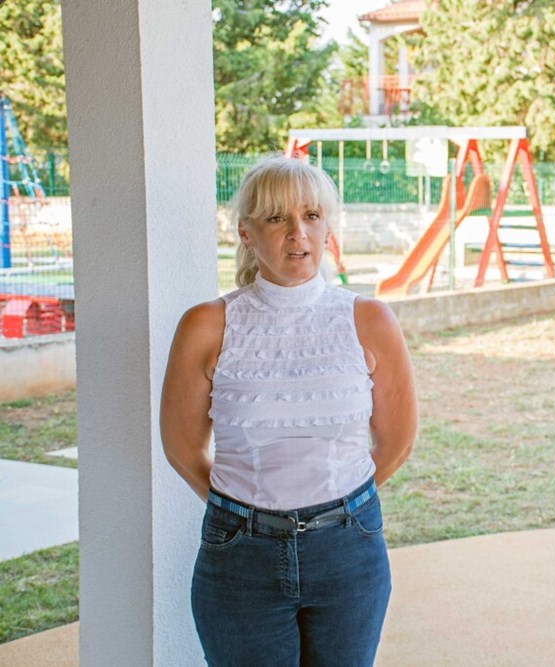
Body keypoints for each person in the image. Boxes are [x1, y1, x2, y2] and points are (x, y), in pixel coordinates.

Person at [161, 155, 417, 666]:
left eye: (311, 216)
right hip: (239, 559)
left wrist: (336, 507)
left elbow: (396, 444)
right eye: (277, 218)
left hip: (349, 552)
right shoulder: (207, 325)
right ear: (246, 233)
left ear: (327, 228)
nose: (298, 233)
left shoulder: (369, 320)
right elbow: (183, 448)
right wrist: (246, 513)